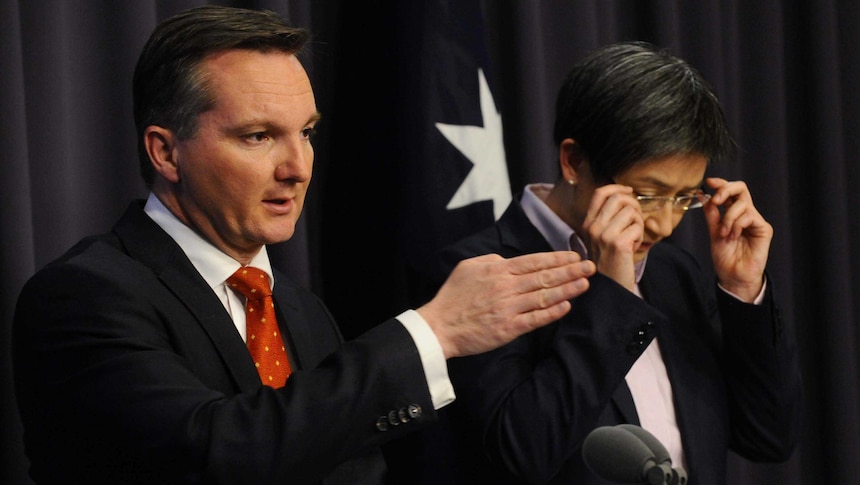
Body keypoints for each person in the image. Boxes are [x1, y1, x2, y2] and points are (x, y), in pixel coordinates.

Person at [10, 6, 598, 484]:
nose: (298, 168)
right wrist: (433, 332)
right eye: (259, 136)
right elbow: (216, 452)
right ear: (166, 152)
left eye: (308, 133)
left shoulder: (299, 309)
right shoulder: (86, 296)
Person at [394, 41, 803, 485]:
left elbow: (768, 438)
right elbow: (522, 454)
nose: (664, 224)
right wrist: (611, 295)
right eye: (647, 194)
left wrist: (743, 292)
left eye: (684, 198)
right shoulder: (477, 272)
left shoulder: (675, 273)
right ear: (574, 161)